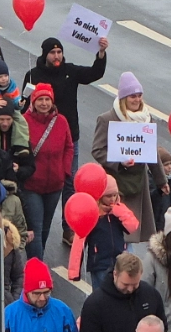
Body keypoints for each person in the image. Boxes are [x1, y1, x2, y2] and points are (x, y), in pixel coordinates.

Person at [23, 35, 107, 172]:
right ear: (45, 54)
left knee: (70, 176)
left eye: (59, 52)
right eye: (52, 53)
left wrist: (101, 54)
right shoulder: (34, 75)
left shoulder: (70, 71)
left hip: (70, 134)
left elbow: (94, 73)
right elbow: (25, 105)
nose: (56, 56)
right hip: (42, 136)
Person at [92, 72, 160, 241]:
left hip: (138, 182)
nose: (136, 100)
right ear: (123, 98)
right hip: (115, 185)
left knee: (131, 228)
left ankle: (125, 261)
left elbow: (151, 152)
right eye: (132, 96)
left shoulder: (146, 120)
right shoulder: (107, 119)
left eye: (139, 96)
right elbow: (97, 150)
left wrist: (162, 181)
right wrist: (119, 162)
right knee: (118, 230)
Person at [21, 82, 74, 258]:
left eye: (47, 99)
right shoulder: (24, 122)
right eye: (40, 99)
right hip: (32, 185)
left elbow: (69, 147)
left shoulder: (61, 121)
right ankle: (37, 268)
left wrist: (64, 170)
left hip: (55, 185)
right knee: (35, 228)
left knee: (45, 228)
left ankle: (35, 265)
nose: (44, 103)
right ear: (33, 102)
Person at [79, 252, 166, 332]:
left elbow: (163, 326)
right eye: (125, 284)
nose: (130, 289)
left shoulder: (151, 295)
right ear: (115, 274)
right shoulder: (95, 304)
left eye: (135, 284)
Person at [5, 258, 77, 332]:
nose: (42, 298)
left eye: (46, 292)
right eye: (37, 293)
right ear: (27, 291)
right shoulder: (9, 316)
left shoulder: (63, 312)